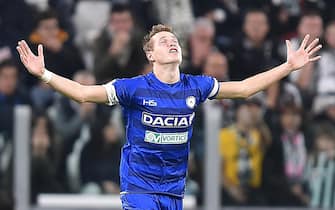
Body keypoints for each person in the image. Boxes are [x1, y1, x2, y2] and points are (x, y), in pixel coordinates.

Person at [16, 24, 321, 209]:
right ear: (150, 55)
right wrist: (44, 73)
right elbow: (83, 94)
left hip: (174, 188)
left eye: (174, 39)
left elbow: (242, 89)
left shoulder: (195, 85)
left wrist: (288, 67)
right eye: (163, 41)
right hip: (139, 186)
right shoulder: (133, 88)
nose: (172, 42)